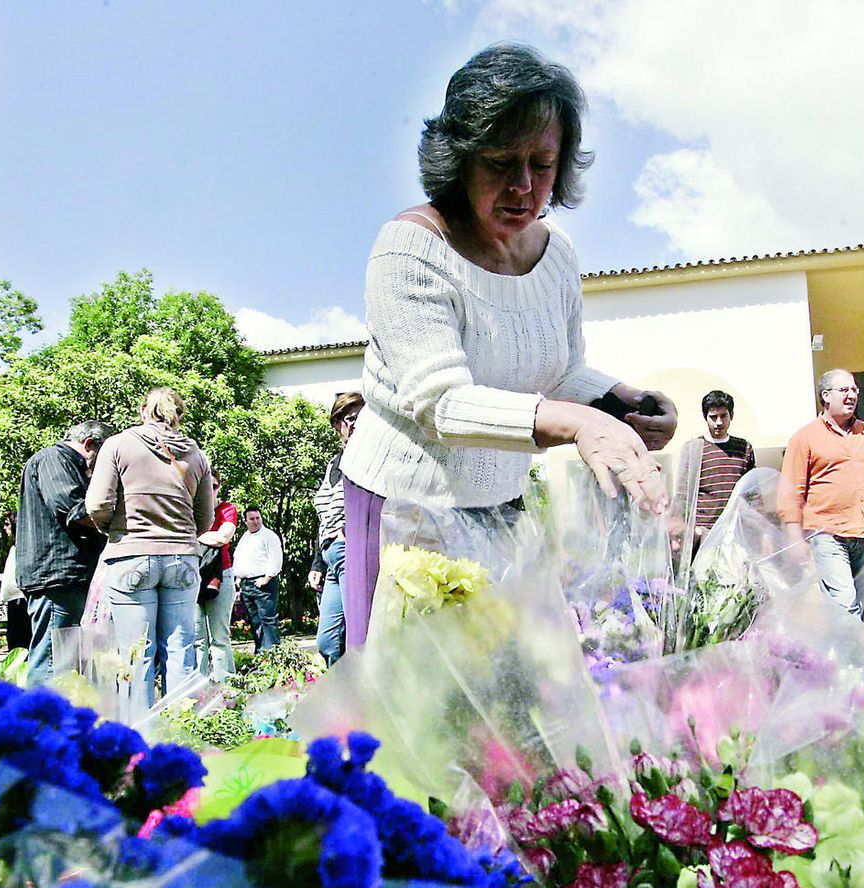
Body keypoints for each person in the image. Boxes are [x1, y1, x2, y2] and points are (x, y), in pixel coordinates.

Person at [340, 43, 677, 647]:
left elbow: (557, 373)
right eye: (501, 162)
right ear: (459, 160)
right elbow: (441, 403)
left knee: (502, 693)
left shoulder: (557, 256)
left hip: (503, 503)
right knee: (411, 698)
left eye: (542, 164)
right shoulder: (409, 250)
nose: (523, 186)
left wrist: (622, 401)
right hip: (407, 509)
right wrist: (578, 424)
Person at [86, 388, 214, 696]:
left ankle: (139, 739)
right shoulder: (197, 456)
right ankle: (181, 734)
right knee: (182, 651)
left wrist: (112, 530)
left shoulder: (117, 445)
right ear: (178, 417)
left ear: (143, 411)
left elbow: (97, 504)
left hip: (131, 556)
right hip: (182, 559)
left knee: (136, 655)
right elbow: (206, 520)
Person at [777, 369, 864, 620]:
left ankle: (840, 656)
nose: (852, 395)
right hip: (826, 534)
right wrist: (794, 538)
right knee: (845, 602)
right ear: (826, 396)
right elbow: (791, 492)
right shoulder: (804, 437)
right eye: (844, 390)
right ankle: (851, 659)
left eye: (855, 390)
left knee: (857, 607)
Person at [19, 419, 113, 685]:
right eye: (104, 459)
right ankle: (39, 723)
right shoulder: (53, 459)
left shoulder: (64, 463)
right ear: (89, 445)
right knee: (53, 660)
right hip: (57, 576)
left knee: (70, 663)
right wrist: (117, 516)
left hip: (68, 576)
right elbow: (73, 510)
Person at [308, 392, 363, 665]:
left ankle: (360, 698)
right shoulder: (335, 462)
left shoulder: (365, 458)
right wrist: (318, 563)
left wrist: (352, 533)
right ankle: (341, 698)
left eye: (360, 418)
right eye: (349, 419)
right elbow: (325, 515)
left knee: (357, 635)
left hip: (349, 551)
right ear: (337, 423)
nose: (355, 424)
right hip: (331, 554)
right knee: (328, 641)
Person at [675, 389, 756, 544]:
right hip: (704, 532)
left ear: (731, 415)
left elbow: (752, 493)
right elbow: (682, 494)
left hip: (736, 531)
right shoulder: (693, 449)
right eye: (713, 417)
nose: (719, 422)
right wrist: (684, 530)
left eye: (723, 416)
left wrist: (761, 531)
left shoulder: (744, 448)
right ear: (705, 417)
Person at [194, 470, 239, 681]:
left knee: (220, 637)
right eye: (206, 486)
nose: (210, 490)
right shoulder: (192, 509)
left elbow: (224, 536)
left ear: (219, 487)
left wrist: (197, 535)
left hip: (221, 575)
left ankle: (227, 688)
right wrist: (208, 537)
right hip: (193, 576)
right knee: (196, 639)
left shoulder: (226, 509)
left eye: (214, 486)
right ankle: (195, 691)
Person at [232, 507, 283, 650]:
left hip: (264, 585)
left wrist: (267, 578)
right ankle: (260, 656)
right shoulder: (245, 537)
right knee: (255, 622)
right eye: (252, 519)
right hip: (247, 585)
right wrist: (239, 578)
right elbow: (239, 557)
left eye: (257, 518)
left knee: (268, 621)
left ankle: (273, 656)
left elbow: (276, 559)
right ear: (245, 521)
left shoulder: (269, 536)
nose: (255, 522)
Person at [0, 511, 30, 651]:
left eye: (7, 524)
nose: (5, 528)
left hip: (20, 600)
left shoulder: (24, 547)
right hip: (13, 601)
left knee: (20, 642)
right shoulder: (14, 547)